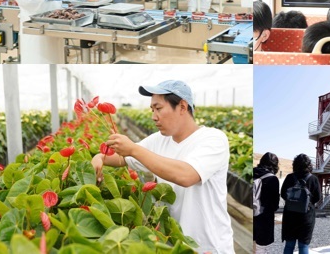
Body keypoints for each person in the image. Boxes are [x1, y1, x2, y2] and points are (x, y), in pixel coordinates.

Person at [92, 80, 232, 254]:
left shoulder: (213, 139)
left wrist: (133, 149)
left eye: (158, 108)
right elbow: (123, 159)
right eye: (152, 110)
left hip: (207, 247)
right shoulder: (159, 140)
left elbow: (186, 175)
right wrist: (100, 157)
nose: (154, 116)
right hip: (171, 245)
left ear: (182, 107)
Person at [282, 154, 324, 254]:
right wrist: (308, 203)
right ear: (309, 165)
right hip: (306, 216)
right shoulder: (313, 178)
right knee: (303, 245)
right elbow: (318, 197)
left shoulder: (290, 177)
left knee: (289, 245)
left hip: (290, 216)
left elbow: (283, 194)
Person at [255, 152, 282, 246]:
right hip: (264, 218)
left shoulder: (252, 172)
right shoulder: (272, 179)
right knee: (260, 247)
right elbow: (274, 204)